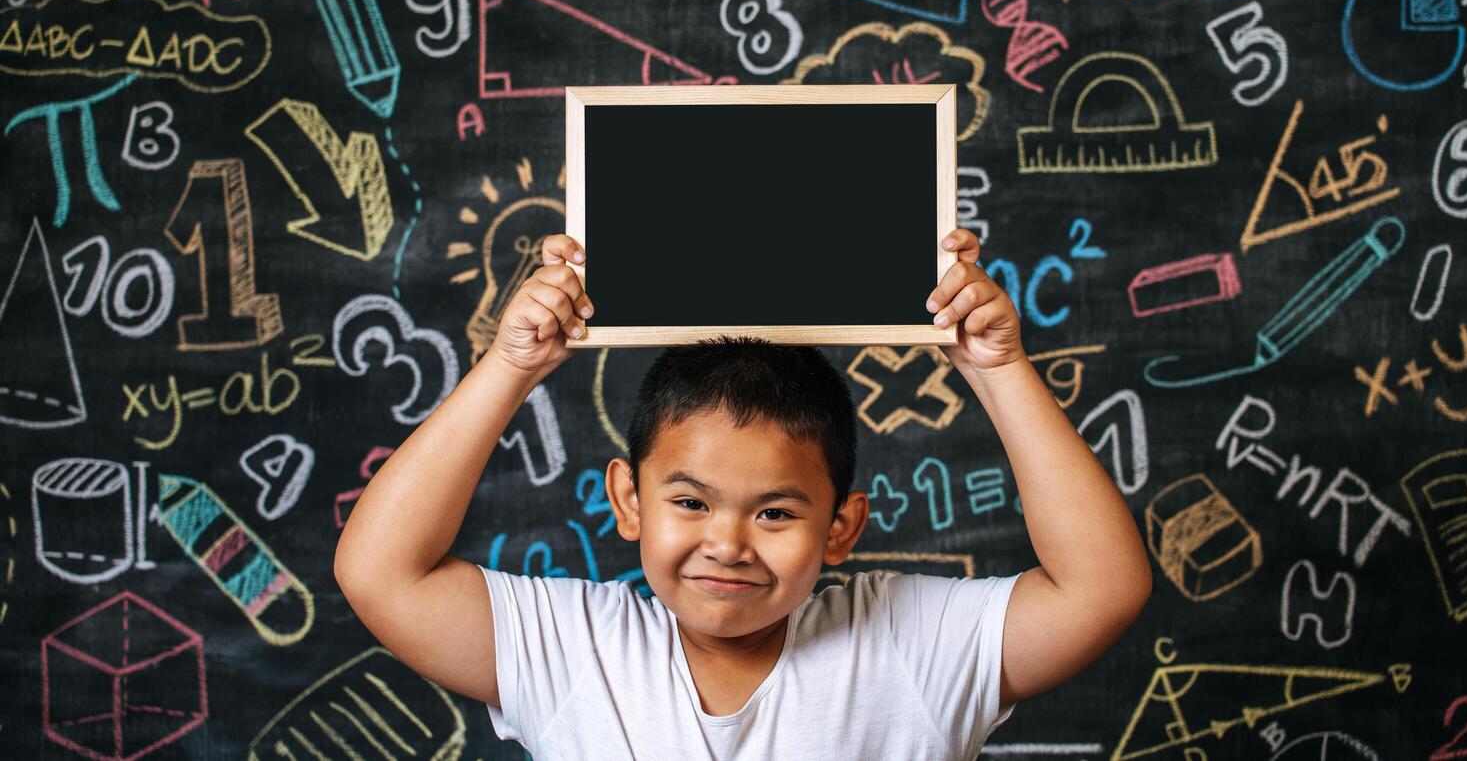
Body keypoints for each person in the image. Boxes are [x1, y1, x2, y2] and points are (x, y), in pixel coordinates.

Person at [334, 228, 1153, 759]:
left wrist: (998, 369)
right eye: (689, 502)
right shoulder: (575, 650)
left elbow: (1101, 588)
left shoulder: (909, 646)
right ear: (628, 500)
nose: (727, 543)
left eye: (775, 513)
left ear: (841, 528)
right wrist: (511, 366)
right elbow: (381, 573)